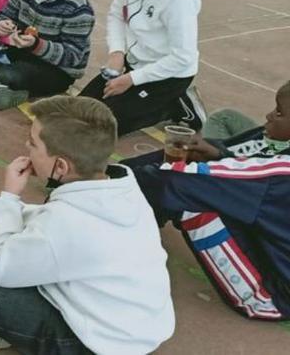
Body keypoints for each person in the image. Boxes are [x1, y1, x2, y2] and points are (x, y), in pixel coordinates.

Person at [0, 96, 175, 355]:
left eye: (33, 143)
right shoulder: (122, 187)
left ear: (60, 166)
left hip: (88, 344)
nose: (26, 146)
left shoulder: (68, 223)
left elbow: (0, 269)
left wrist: (10, 199)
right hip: (128, 331)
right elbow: (66, 225)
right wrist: (19, 215)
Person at [124, 81, 290, 320]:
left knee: (188, 193)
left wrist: (109, 178)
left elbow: (170, 182)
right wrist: (221, 155)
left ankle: (121, 223)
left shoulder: (277, 175)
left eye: (280, 113)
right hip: (273, 236)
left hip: (273, 295)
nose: (269, 115)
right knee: (199, 166)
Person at [79, 0, 205, 135]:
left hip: (169, 75)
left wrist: (132, 79)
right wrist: (117, 53)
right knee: (76, 112)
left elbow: (182, 57)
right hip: (135, 63)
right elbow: (117, 14)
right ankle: (150, 100)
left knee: (99, 128)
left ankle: (174, 104)